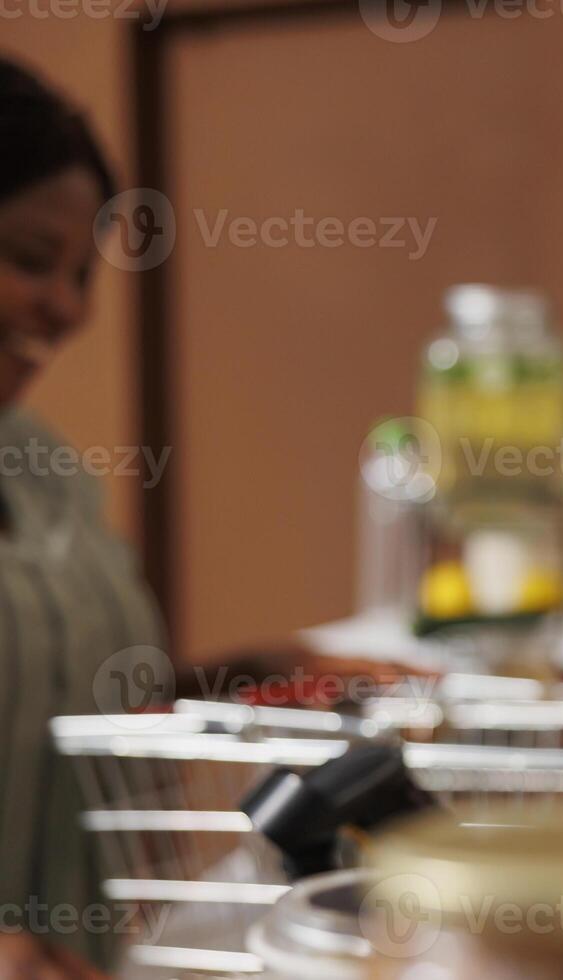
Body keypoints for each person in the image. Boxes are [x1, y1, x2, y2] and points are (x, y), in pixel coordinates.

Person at [0, 58, 413, 976]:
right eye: (32, 261)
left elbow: (57, 704)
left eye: (81, 274)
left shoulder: (42, 471)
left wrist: (252, 677)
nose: (68, 308)